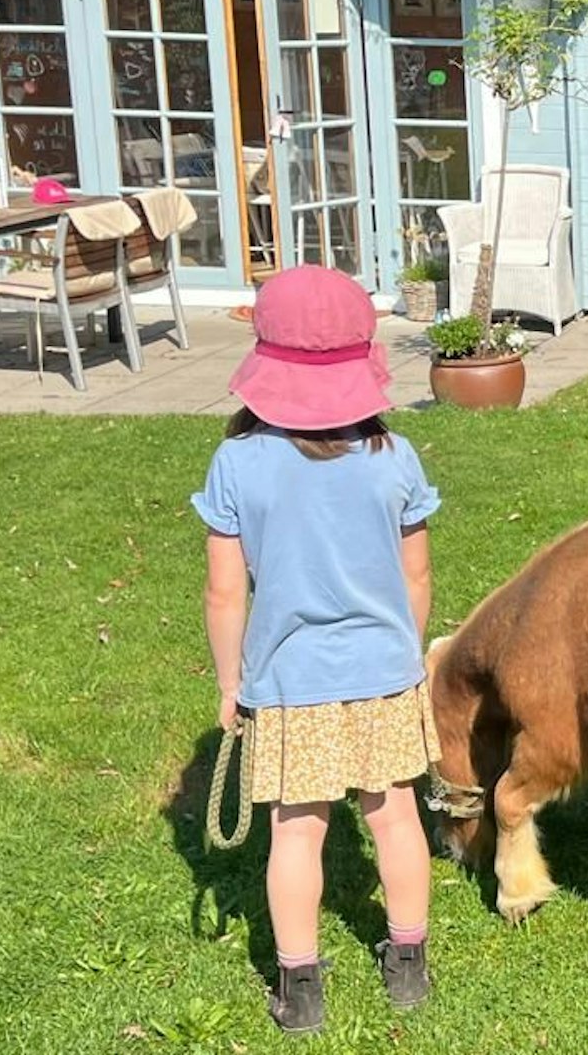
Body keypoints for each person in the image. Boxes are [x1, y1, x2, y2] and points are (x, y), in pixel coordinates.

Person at [193, 267, 442, 1034]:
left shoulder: (236, 463)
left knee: (296, 831)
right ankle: (408, 968)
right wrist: (409, 653)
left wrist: (231, 682)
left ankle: (299, 991)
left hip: (289, 679)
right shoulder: (393, 457)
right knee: (394, 818)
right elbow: (418, 573)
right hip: (383, 673)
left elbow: (224, 595)